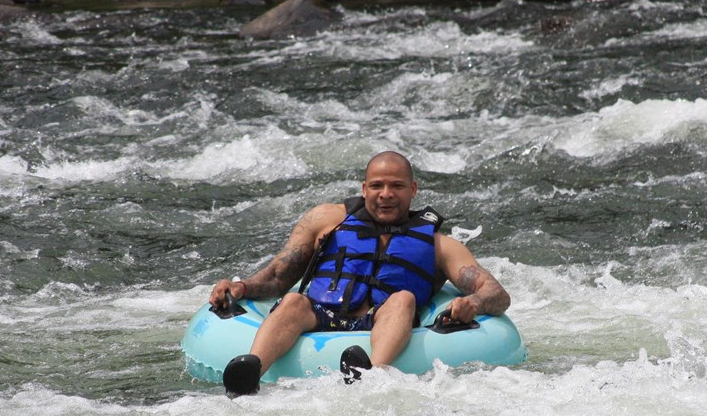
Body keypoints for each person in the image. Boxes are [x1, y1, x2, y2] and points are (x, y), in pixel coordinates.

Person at [208, 151, 511, 395]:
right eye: (377, 186)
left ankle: (372, 377)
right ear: (364, 189)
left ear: (413, 190)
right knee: (292, 301)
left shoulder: (439, 246)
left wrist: (474, 303)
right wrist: (242, 287)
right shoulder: (327, 220)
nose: (386, 194)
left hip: (384, 319)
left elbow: (495, 292)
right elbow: (278, 276)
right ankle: (250, 375)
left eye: (397, 186)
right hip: (321, 314)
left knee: (403, 298)